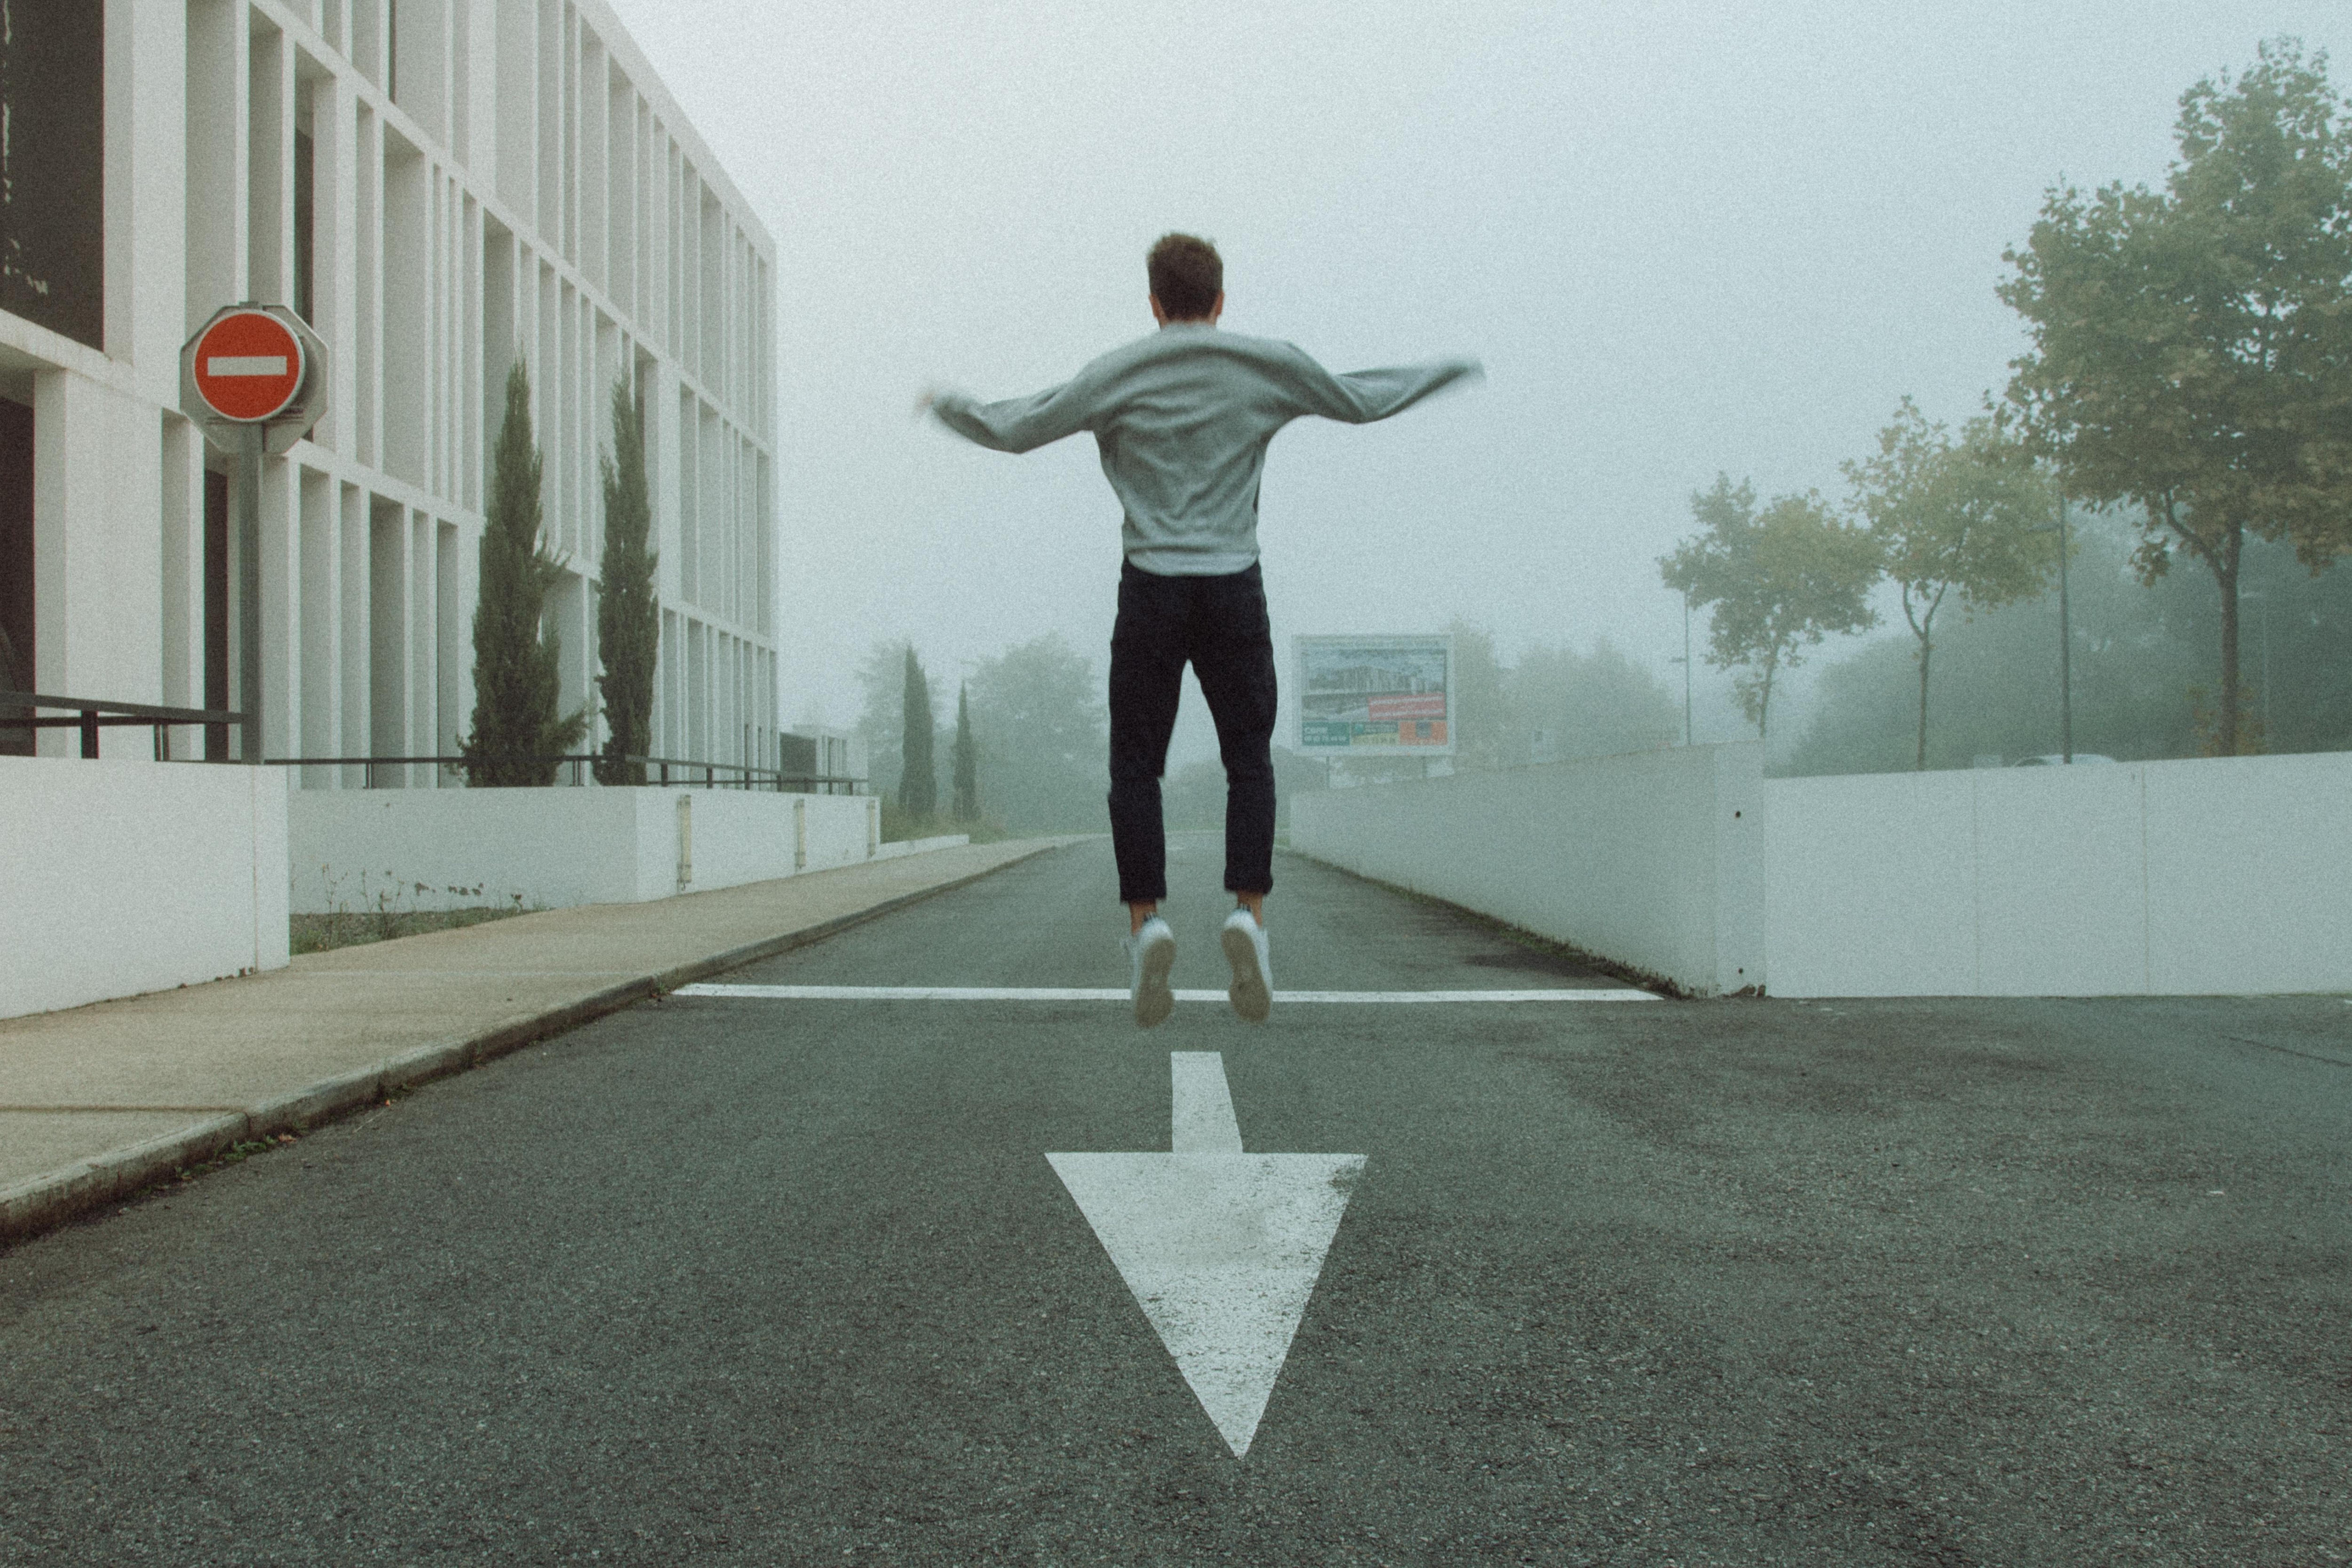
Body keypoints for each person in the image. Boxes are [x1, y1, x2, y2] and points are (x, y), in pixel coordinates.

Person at [923, 233, 1480, 1028]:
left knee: (1135, 765)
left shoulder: (1116, 373)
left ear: (1153, 302)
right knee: (1249, 759)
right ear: (1221, 300)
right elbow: (1359, 398)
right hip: (1232, 590)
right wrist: (1442, 372)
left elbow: (1020, 426)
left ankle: (1146, 923)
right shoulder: (1263, 365)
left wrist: (950, 407)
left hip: (1150, 590)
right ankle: (1248, 912)